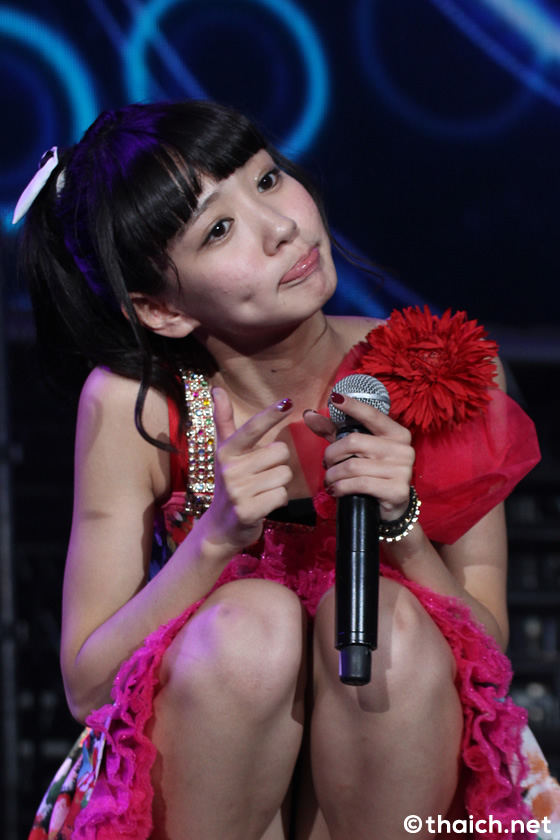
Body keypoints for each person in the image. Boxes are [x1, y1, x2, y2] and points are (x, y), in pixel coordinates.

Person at [14, 100, 547, 840]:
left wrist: (403, 528)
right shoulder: (138, 405)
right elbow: (87, 685)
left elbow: (488, 660)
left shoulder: (442, 374)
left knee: (386, 628)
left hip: (397, 779)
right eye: (219, 229)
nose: (281, 228)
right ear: (161, 309)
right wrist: (212, 541)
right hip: (210, 781)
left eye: (267, 180)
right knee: (250, 628)